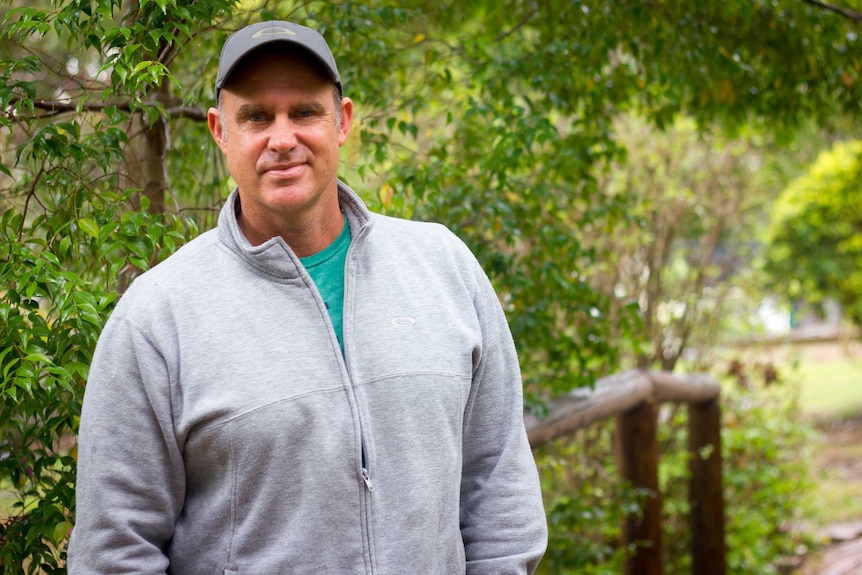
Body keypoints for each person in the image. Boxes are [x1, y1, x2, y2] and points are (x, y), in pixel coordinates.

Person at [68, 20, 547, 575]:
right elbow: (115, 552)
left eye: (304, 112)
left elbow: (498, 489)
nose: (282, 138)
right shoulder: (157, 318)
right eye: (256, 117)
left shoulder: (444, 268)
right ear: (220, 131)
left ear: (341, 122)